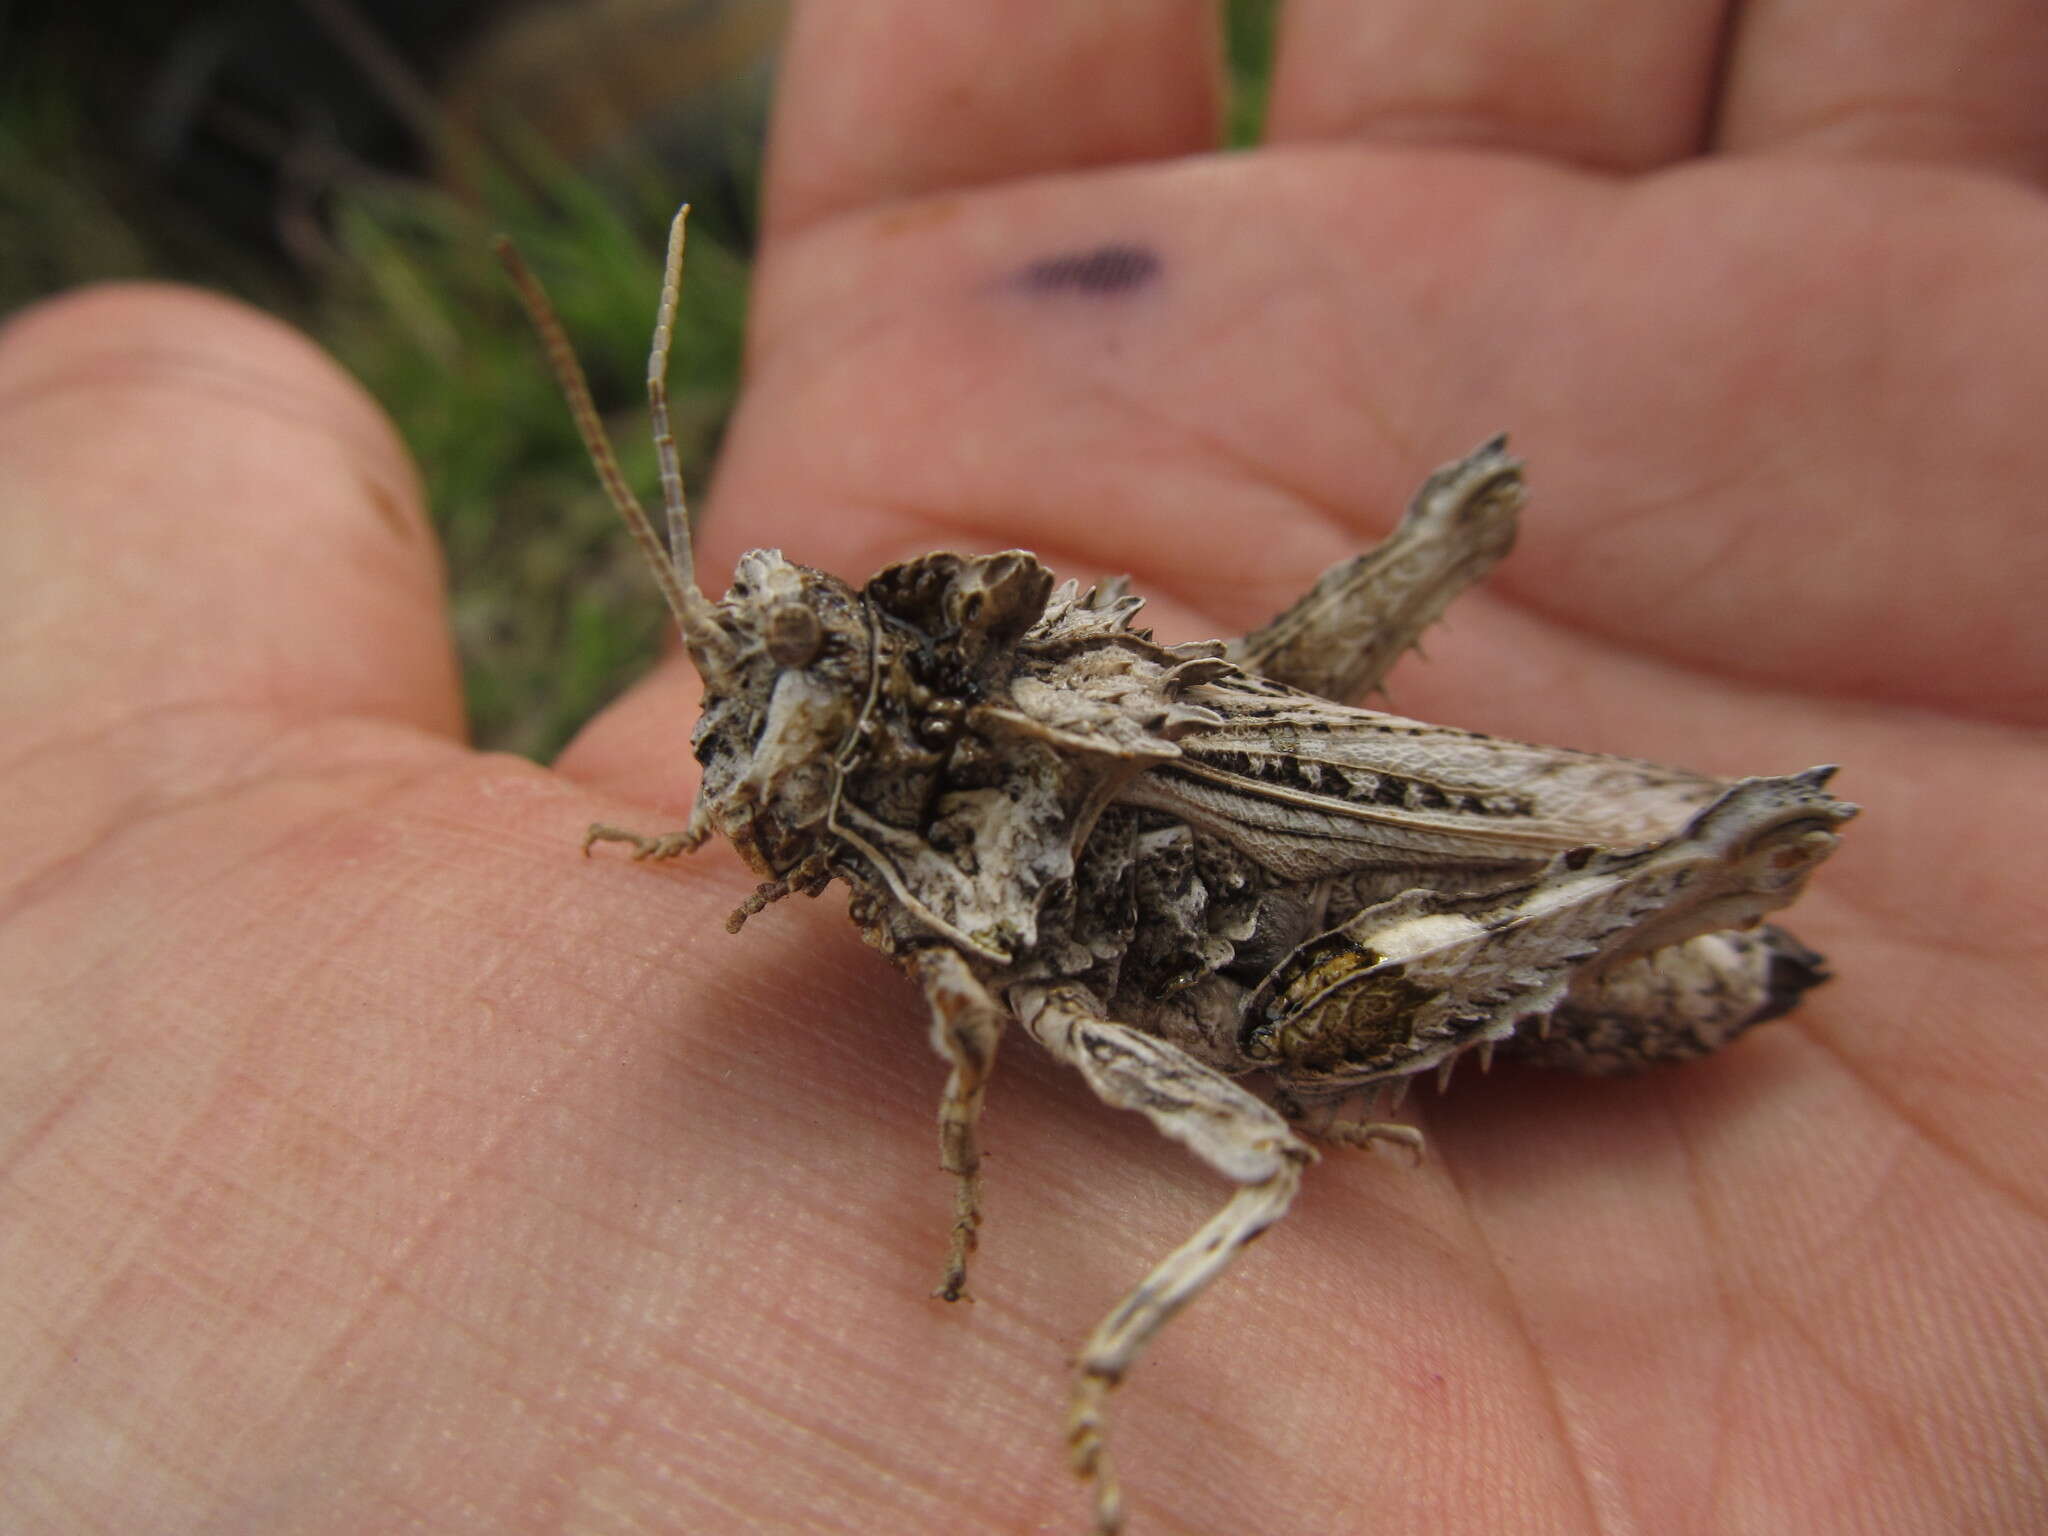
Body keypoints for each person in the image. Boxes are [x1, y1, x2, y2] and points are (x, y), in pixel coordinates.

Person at [3, 4, 2044, 1530]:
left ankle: (1673, 876)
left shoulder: (1001, 818)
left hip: (1417, 959)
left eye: (769, 733)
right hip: (1248, 878)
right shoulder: (905, 781)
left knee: (1257, 1129)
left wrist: (1032, 1273)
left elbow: (1016, 1001)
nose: (749, 756)